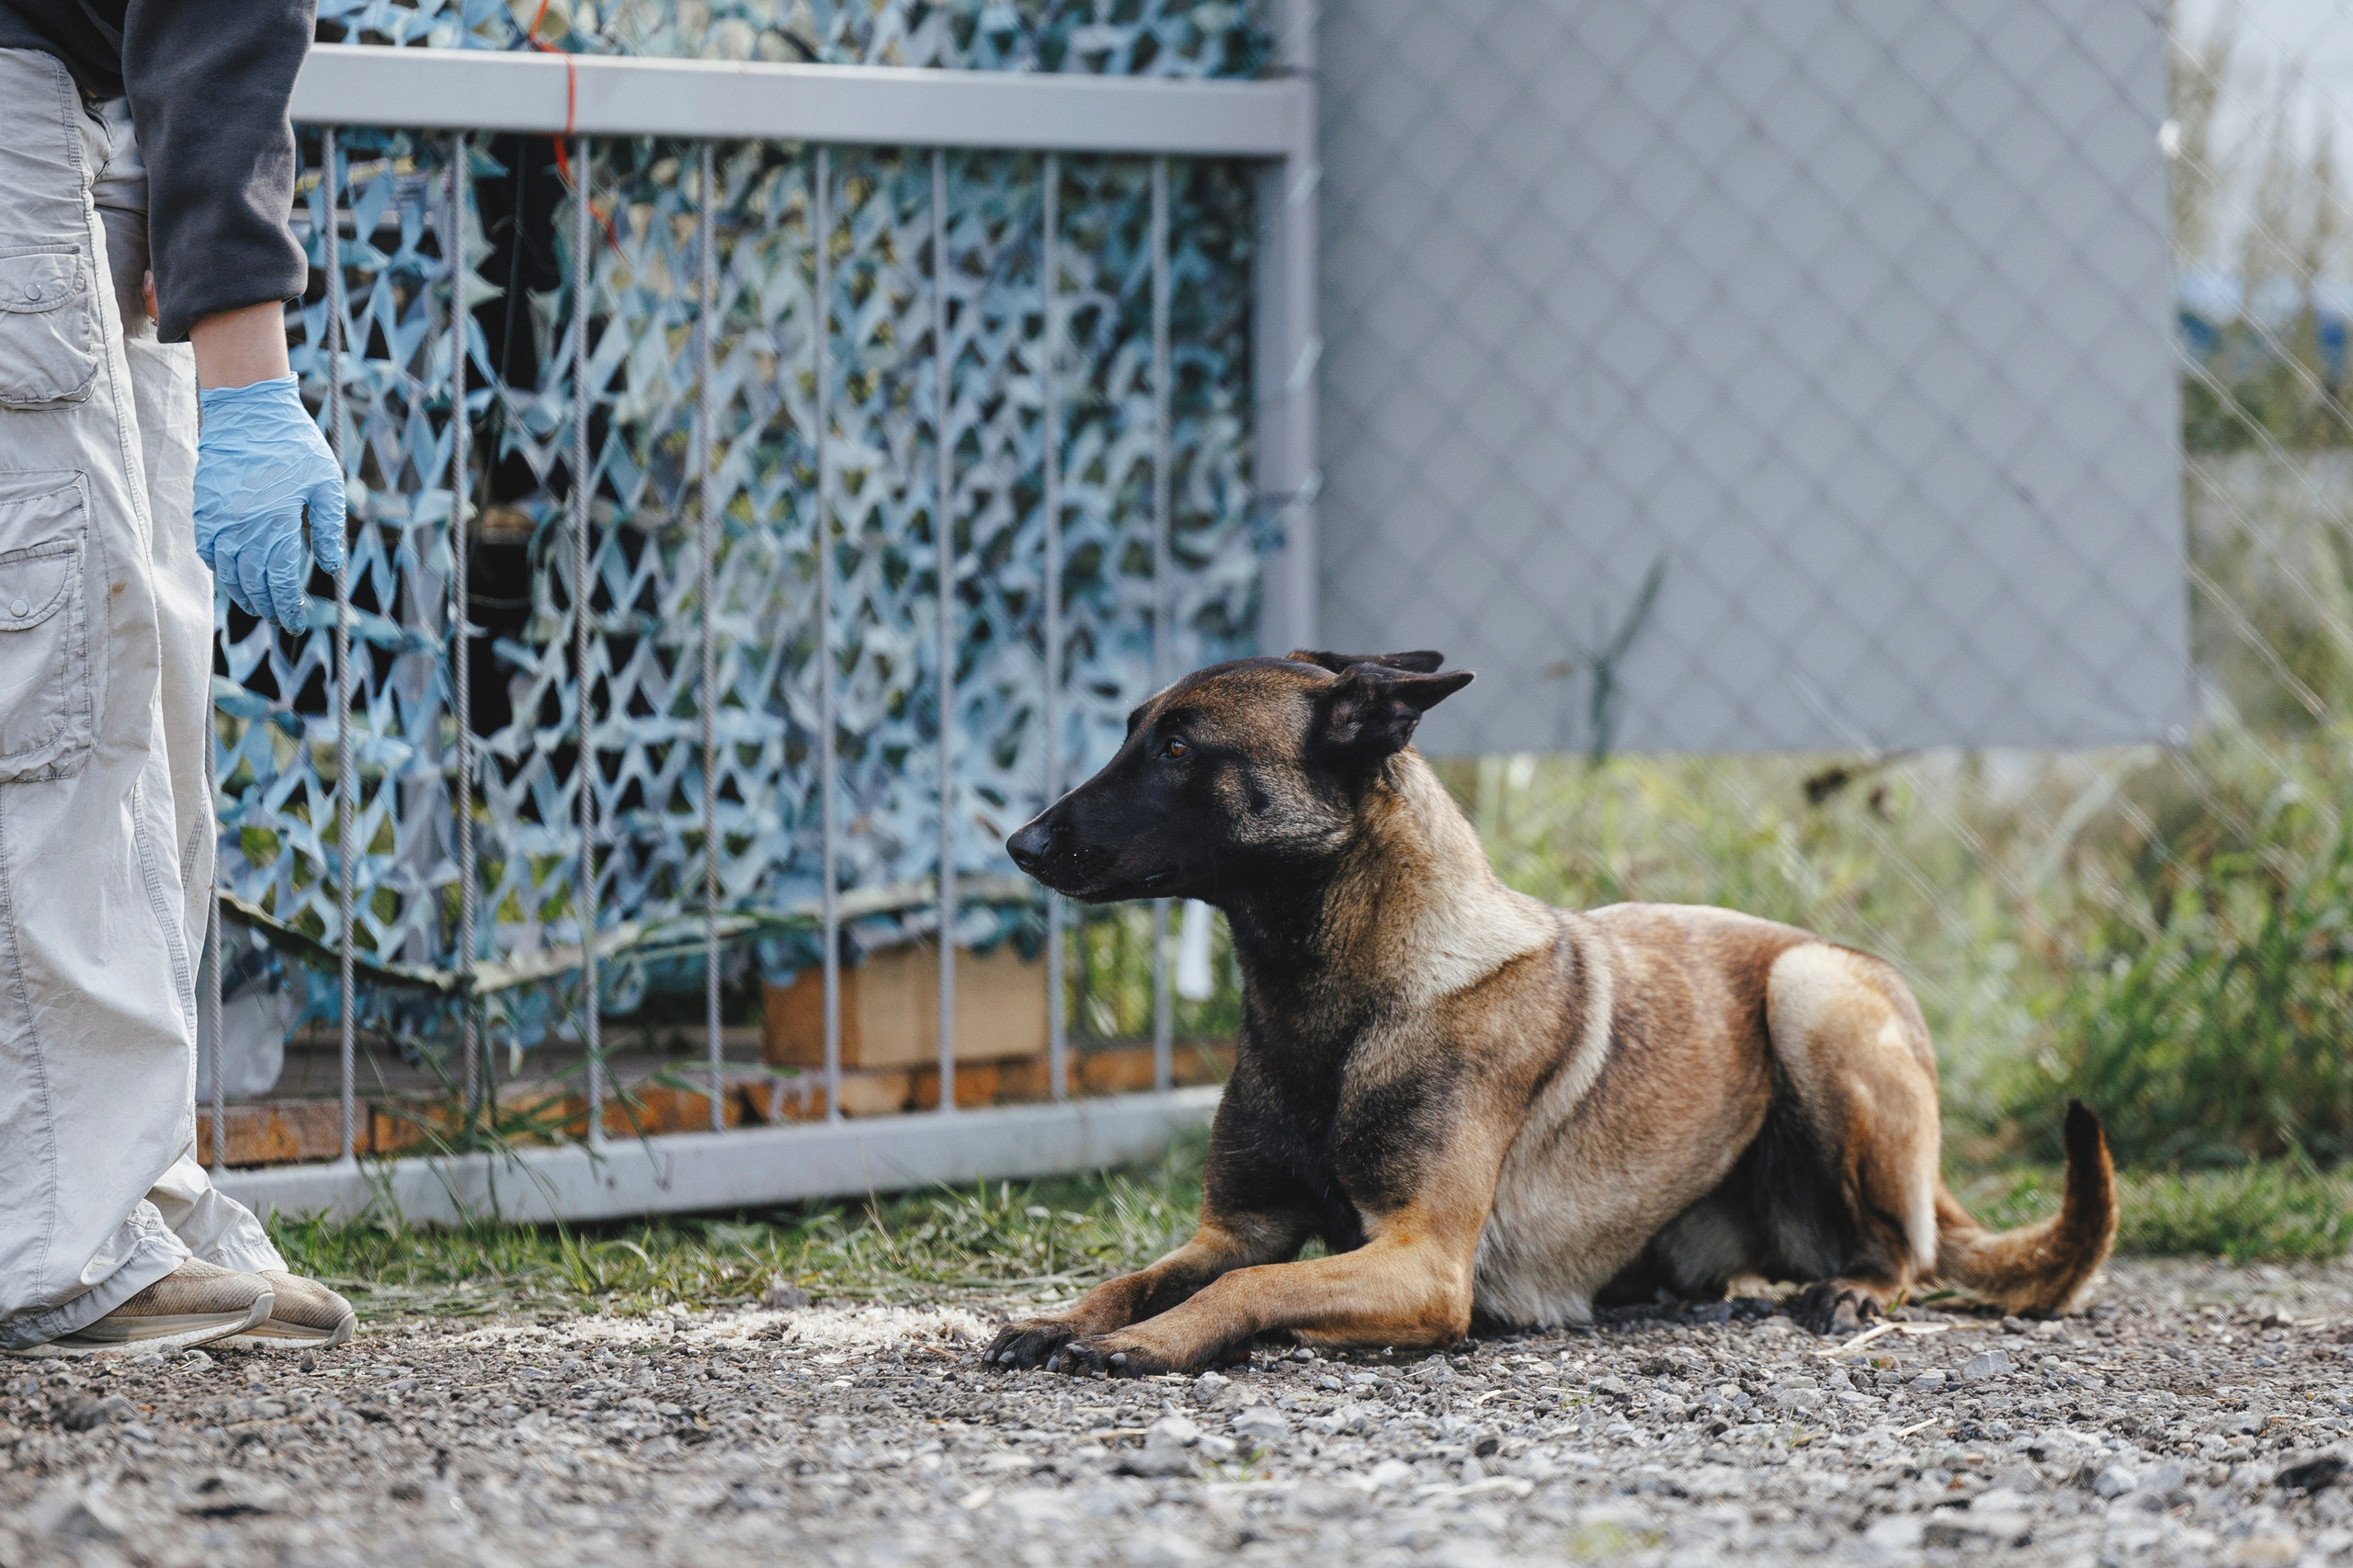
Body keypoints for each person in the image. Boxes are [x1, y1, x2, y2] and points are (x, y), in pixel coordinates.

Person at [0, 0, 357, 1355]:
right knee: (55, 702)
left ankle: (125, 1174)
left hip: (77, 115)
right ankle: (53, 1233)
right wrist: (249, 354)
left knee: (141, 691)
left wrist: (163, 182)